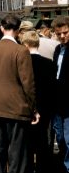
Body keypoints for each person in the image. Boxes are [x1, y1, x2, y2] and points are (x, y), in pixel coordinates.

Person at [0, 14, 39, 173]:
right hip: (16, 109)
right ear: (18, 30)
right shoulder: (21, 51)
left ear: (1, 28)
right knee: (16, 156)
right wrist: (34, 109)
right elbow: (28, 83)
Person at [21, 31, 56, 173]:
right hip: (45, 108)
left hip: (27, 108)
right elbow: (53, 88)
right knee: (43, 142)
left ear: (25, 44)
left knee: (27, 142)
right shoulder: (49, 64)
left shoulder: (23, 64)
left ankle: (29, 168)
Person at [51, 16, 69, 173]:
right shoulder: (58, 49)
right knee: (60, 138)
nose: (62, 36)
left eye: (65, 32)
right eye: (59, 34)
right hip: (57, 102)